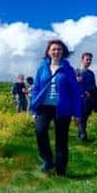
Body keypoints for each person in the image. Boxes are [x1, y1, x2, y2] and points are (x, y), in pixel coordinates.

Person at [29, 40, 83, 176]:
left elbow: (76, 92)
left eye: (59, 49)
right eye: (53, 49)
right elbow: (36, 88)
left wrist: (77, 114)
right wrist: (33, 109)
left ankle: (60, 172)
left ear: (63, 52)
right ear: (48, 52)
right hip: (44, 107)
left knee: (61, 140)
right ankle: (47, 160)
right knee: (40, 131)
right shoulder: (42, 67)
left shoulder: (68, 69)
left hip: (62, 108)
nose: (56, 51)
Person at [76, 52, 97, 141]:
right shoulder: (76, 71)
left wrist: (89, 91)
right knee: (80, 118)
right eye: (87, 59)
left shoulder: (91, 73)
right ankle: (83, 136)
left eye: (90, 60)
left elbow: (93, 86)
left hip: (88, 99)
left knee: (84, 118)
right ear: (82, 60)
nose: (88, 61)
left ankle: (80, 135)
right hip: (78, 99)